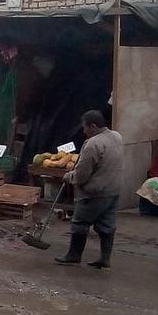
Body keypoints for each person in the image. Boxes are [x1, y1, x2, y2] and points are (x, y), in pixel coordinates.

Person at [55, 110, 124, 269]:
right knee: (107, 224)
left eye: (85, 127)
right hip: (113, 190)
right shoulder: (116, 136)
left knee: (80, 222)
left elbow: (82, 175)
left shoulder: (93, 144)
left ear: (93, 126)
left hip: (95, 192)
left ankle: (73, 255)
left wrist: (69, 177)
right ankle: (105, 258)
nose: (83, 131)